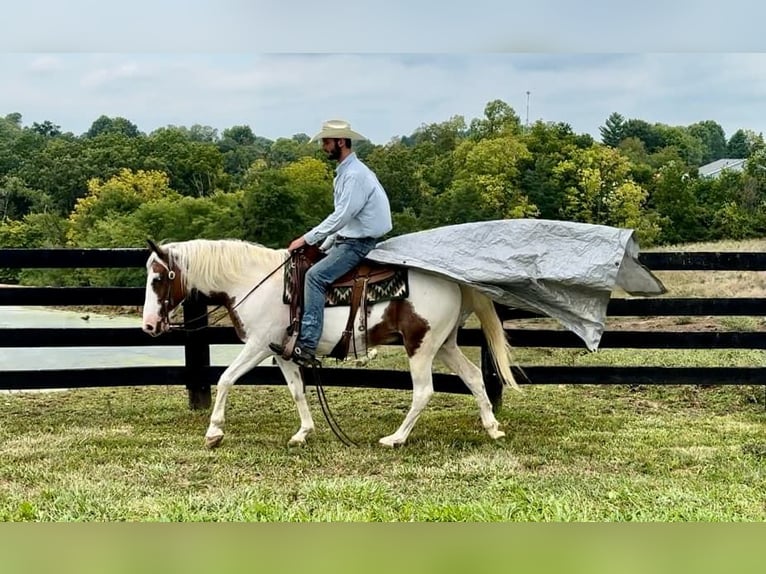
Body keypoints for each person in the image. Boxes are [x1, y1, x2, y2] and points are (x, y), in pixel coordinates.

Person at [269, 119, 392, 367]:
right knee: (305, 266)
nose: (323, 147)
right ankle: (298, 332)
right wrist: (323, 245)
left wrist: (306, 239)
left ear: (340, 142)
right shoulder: (348, 172)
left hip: (358, 244)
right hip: (348, 239)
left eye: (326, 142)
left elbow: (342, 216)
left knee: (315, 276)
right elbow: (346, 220)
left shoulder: (355, 176)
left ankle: (308, 345)